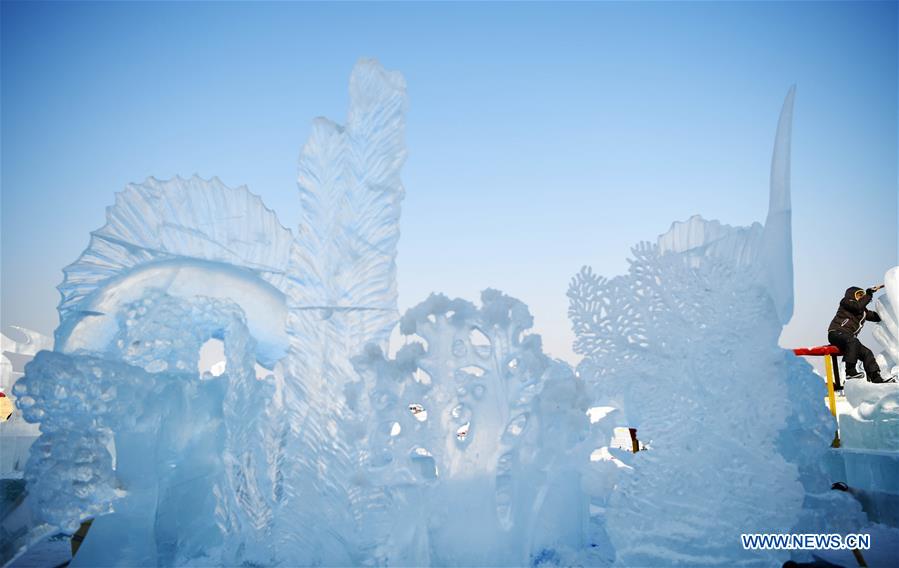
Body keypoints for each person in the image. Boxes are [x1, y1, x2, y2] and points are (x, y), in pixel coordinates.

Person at [827, 286, 889, 383]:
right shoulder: (846, 302)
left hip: (849, 339)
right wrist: (869, 294)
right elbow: (857, 307)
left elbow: (876, 317)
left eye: (862, 295)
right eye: (859, 295)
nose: (861, 297)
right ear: (852, 295)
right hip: (836, 333)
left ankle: (876, 379)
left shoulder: (863, 311)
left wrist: (888, 312)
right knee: (853, 341)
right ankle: (850, 372)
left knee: (867, 353)